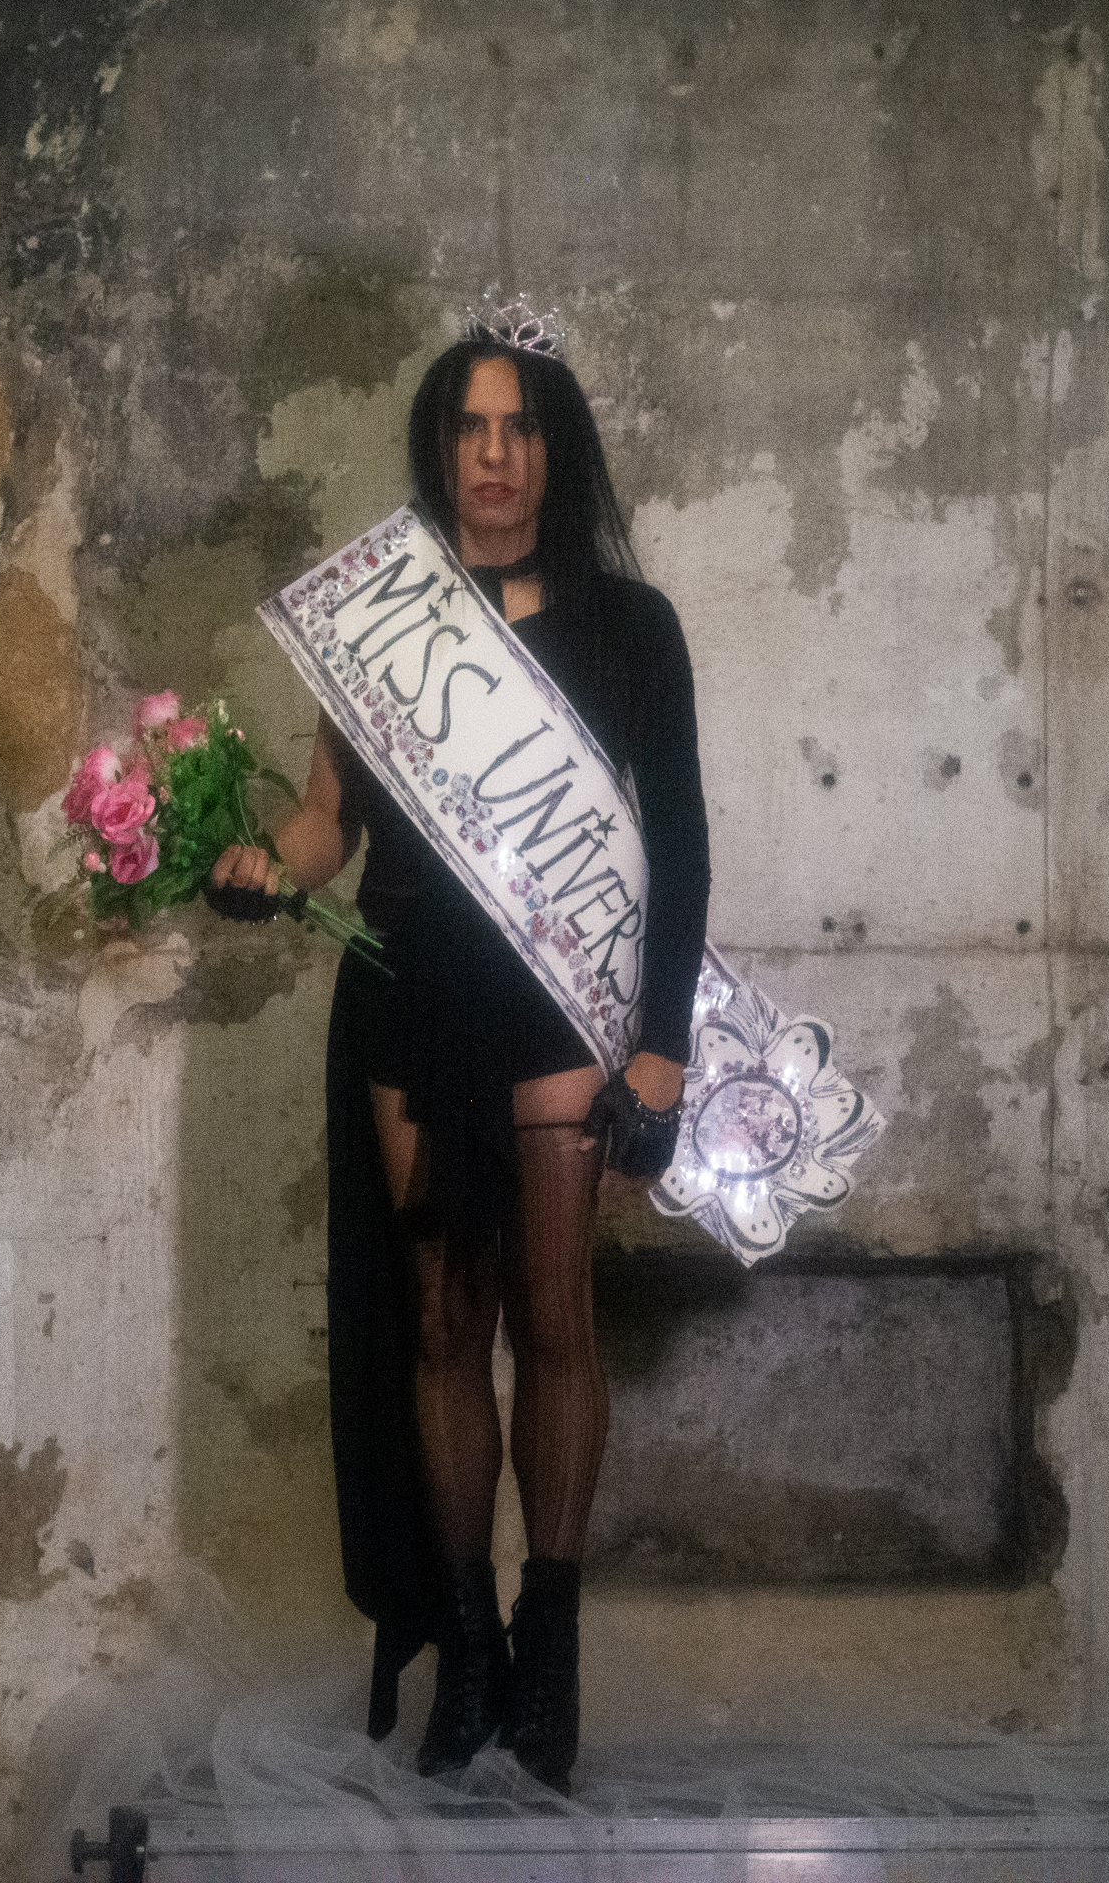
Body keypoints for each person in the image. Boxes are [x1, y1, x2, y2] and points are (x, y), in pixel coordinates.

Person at [209, 320, 709, 1793]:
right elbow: (328, 821)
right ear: (441, 448)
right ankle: (470, 1647)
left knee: (552, 1316)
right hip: (410, 989)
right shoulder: (385, 622)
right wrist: (266, 864)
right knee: (440, 1323)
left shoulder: (632, 626)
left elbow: (678, 838)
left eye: (524, 427)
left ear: (559, 449)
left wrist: (664, 1044)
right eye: (473, 428)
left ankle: (549, 1642)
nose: (498, 455)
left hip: (559, 1006)